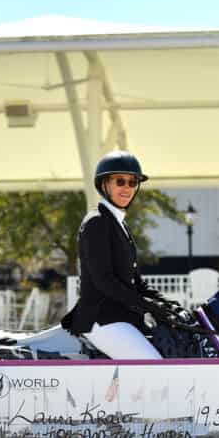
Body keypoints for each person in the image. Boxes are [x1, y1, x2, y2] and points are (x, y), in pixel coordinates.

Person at [61, 150, 164, 360]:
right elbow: (104, 281)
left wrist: (163, 303)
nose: (127, 188)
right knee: (153, 364)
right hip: (101, 319)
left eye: (132, 182)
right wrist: (145, 305)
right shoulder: (96, 221)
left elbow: (134, 281)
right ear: (105, 185)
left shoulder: (120, 224)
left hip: (123, 318)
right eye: (120, 181)